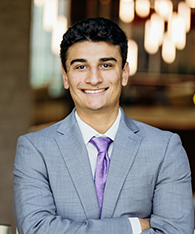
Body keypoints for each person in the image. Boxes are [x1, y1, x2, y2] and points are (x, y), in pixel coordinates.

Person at [13, 17, 194, 234]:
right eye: (81, 66)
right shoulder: (34, 148)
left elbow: (176, 231)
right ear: (66, 77)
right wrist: (134, 225)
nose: (94, 78)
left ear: (124, 73)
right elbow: (36, 230)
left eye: (106, 65)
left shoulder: (165, 148)